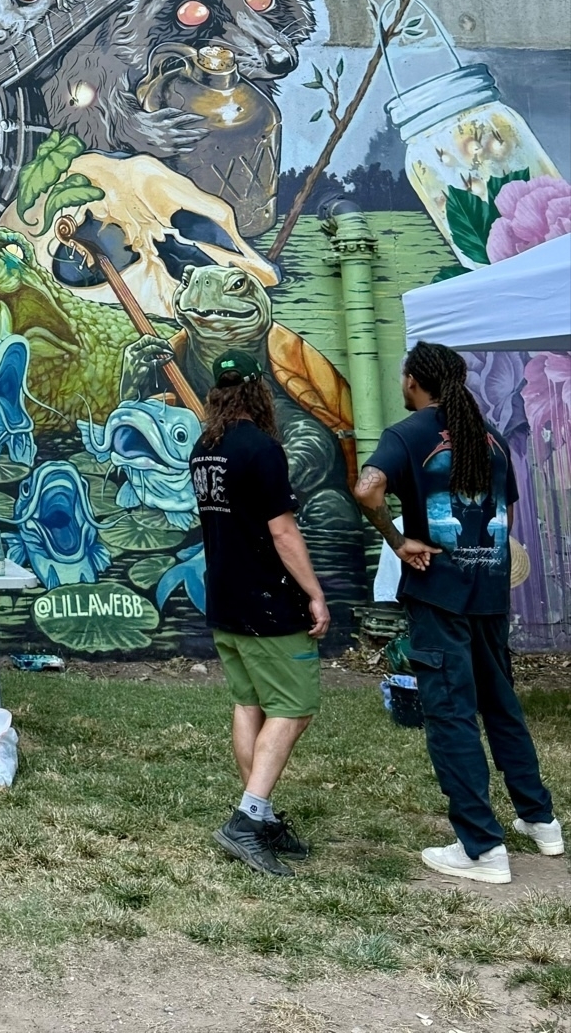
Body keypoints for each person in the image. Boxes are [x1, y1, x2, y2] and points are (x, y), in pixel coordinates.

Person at [354, 341, 562, 884]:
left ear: (413, 381)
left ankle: (481, 849)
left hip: (438, 595)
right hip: (489, 594)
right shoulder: (489, 436)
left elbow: (367, 489)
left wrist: (399, 542)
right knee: (501, 707)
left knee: (450, 714)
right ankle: (542, 823)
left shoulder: (408, 435)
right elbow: (507, 509)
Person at [190, 347, 331, 878]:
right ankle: (247, 820)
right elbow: (282, 531)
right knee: (294, 707)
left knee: (250, 702)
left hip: (225, 597)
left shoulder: (205, 448)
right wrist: (314, 592)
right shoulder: (262, 448)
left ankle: (261, 812)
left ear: (217, 393)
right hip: (268, 601)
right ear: (257, 390)